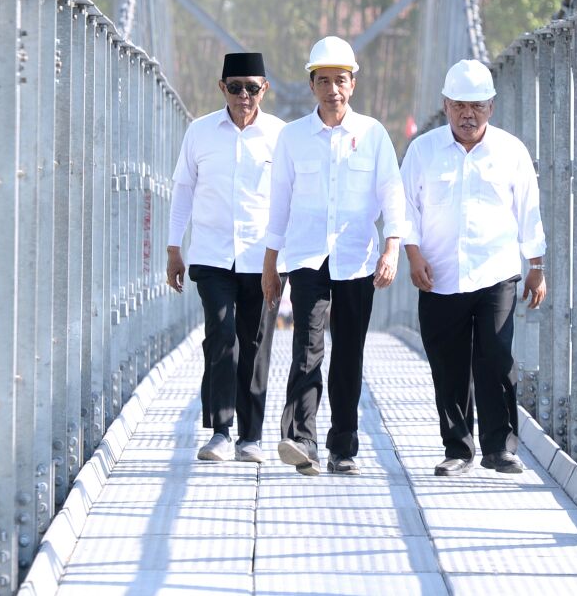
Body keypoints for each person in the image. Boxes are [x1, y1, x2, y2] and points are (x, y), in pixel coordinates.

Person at [262, 36, 406, 475]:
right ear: (311, 85)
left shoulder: (374, 134)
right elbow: (279, 203)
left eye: (340, 80)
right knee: (307, 346)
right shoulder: (292, 138)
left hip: (357, 261)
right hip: (307, 259)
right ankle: (300, 439)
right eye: (323, 81)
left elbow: (391, 193)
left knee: (349, 354)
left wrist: (392, 247)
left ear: (353, 83)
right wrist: (270, 264)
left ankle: (342, 447)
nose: (332, 90)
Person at [400, 59, 546, 476]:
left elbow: (528, 209)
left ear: (491, 107)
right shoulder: (422, 151)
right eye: (460, 105)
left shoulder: (510, 150)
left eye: (478, 106)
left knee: (496, 358)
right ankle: (458, 450)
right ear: (445, 105)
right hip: (438, 274)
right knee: (448, 365)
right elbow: (405, 208)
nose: (469, 115)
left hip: (495, 272)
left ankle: (500, 448)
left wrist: (536, 264)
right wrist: (412, 256)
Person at [167, 52, 286, 463]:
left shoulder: (280, 136)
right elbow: (182, 190)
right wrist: (172, 249)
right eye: (235, 87)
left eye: (252, 88)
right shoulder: (200, 133)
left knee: (254, 342)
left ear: (264, 89)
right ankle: (219, 430)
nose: (243, 96)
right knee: (220, 334)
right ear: (222, 88)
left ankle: (250, 437)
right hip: (211, 254)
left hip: (262, 258)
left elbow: (291, 199)